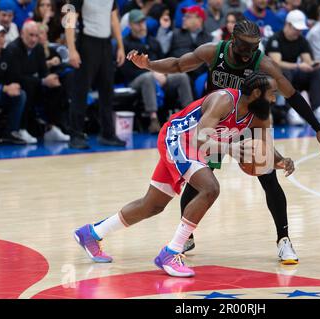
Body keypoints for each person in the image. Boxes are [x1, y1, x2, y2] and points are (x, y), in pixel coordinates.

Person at [127, 19, 320, 264]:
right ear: (233, 41)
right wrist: (149, 64)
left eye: (253, 49)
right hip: (216, 121)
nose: (248, 54)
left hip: (250, 120)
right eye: (244, 48)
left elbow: (291, 94)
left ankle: (284, 240)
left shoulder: (262, 62)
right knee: (196, 181)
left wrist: (317, 127)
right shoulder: (213, 52)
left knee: (269, 179)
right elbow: (179, 64)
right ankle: (185, 236)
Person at [74, 72, 295, 277]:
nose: (275, 99)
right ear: (257, 94)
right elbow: (200, 138)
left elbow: (265, 147)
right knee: (210, 189)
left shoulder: (260, 115)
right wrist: (231, 149)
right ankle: (171, 252)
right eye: (272, 94)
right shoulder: (224, 100)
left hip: (196, 148)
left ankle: (91, 233)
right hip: (178, 138)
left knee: (152, 205)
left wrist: (280, 161)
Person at [66, 0, 127, 149]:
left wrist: (120, 46)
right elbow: (69, 21)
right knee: (80, 91)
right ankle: (76, 135)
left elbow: (114, 19)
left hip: (105, 44)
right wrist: (72, 49)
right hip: (86, 43)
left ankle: (108, 133)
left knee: (107, 91)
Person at [121, 9, 194, 133]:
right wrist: (153, 73)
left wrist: (164, 73)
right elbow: (126, 71)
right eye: (137, 23)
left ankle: (190, 116)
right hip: (136, 82)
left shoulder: (153, 41)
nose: (141, 25)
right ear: (130, 25)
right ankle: (153, 120)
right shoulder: (125, 43)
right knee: (148, 78)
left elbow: (164, 61)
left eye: (143, 22)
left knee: (181, 77)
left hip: (160, 77)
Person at [266, 10, 320, 125]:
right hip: (277, 76)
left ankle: (318, 108)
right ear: (288, 25)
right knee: (283, 73)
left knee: (315, 73)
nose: (298, 32)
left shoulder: (301, 40)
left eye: (300, 30)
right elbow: (276, 63)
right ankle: (291, 110)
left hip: (295, 74)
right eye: (296, 29)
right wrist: (298, 66)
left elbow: (307, 60)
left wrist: (313, 65)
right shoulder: (275, 39)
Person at [7, 20, 63, 143]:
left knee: (56, 86)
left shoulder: (38, 48)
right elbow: (16, 77)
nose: (33, 39)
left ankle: (51, 127)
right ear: (22, 34)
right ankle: (22, 129)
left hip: (35, 82)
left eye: (36, 36)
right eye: (30, 35)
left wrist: (50, 79)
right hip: (17, 86)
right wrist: (43, 81)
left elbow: (43, 71)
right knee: (27, 87)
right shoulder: (12, 49)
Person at [0, 23, 26, 144]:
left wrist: (14, 86)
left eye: (3, 36)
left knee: (20, 94)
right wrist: (3, 88)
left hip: (0, 94)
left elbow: (14, 76)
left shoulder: (7, 54)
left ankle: (11, 132)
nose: (0, 39)